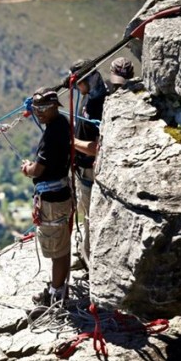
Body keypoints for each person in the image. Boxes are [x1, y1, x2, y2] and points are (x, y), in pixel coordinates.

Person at [21, 87, 73, 306]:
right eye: (35, 108)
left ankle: (55, 294)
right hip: (60, 193)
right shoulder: (60, 123)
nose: (39, 112)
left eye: (43, 107)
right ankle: (59, 286)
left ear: (54, 106)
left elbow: (38, 170)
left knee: (56, 249)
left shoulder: (52, 133)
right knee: (62, 244)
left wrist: (27, 168)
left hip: (52, 199)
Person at [68, 59, 107, 273]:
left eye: (77, 84)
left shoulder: (99, 104)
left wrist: (72, 143)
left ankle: (89, 260)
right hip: (82, 167)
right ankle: (84, 252)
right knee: (85, 214)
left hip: (90, 169)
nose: (76, 89)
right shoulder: (91, 98)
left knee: (91, 217)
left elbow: (96, 148)